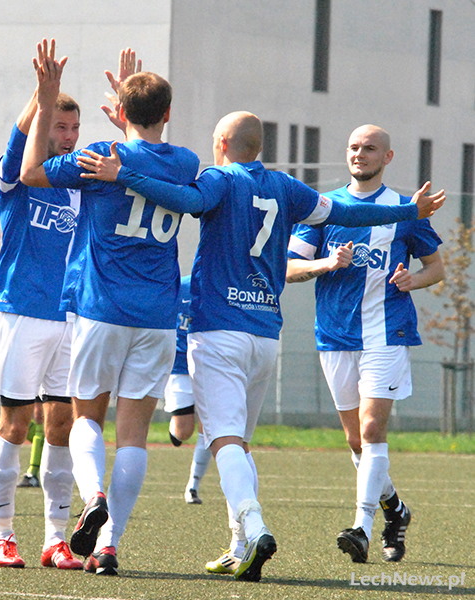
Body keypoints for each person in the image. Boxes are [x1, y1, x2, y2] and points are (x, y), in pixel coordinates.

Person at [76, 111, 445, 581]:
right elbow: (349, 213)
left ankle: (254, 528)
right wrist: (408, 211)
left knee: (223, 439)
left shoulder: (219, 179)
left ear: (222, 144)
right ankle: (237, 545)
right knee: (241, 444)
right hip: (265, 333)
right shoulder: (286, 187)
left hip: (219, 329)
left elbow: (185, 199)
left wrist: (123, 172)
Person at [21, 40, 201, 576]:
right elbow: (149, 158)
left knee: (86, 418)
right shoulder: (186, 161)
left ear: (121, 112)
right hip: (158, 317)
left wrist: (45, 99)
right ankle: (109, 546)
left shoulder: (100, 156)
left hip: (102, 309)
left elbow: (31, 172)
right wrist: (128, 115)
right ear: (168, 113)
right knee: (134, 437)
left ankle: (92, 494)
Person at [286, 124, 444, 564]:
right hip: (334, 334)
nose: (360, 154)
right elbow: (289, 269)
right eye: (354, 147)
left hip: (387, 332)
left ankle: (362, 528)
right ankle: (396, 509)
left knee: (373, 429)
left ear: (386, 157)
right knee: (356, 441)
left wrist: (413, 280)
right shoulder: (324, 208)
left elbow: (436, 268)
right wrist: (326, 263)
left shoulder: (405, 209)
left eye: (370, 148)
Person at [0, 53, 82, 570]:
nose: (67, 136)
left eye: (73, 127)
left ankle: (55, 538)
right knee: (16, 425)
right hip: (22, 312)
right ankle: (3, 536)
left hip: (72, 319)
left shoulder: (80, 184)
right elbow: (18, 138)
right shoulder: (17, 180)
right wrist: (43, 97)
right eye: (59, 126)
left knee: (61, 425)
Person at [164, 275, 212, 506]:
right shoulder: (179, 287)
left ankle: (193, 486)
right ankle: (174, 430)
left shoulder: (219, 289)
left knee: (209, 425)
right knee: (184, 431)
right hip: (180, 364)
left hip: (209, 364)